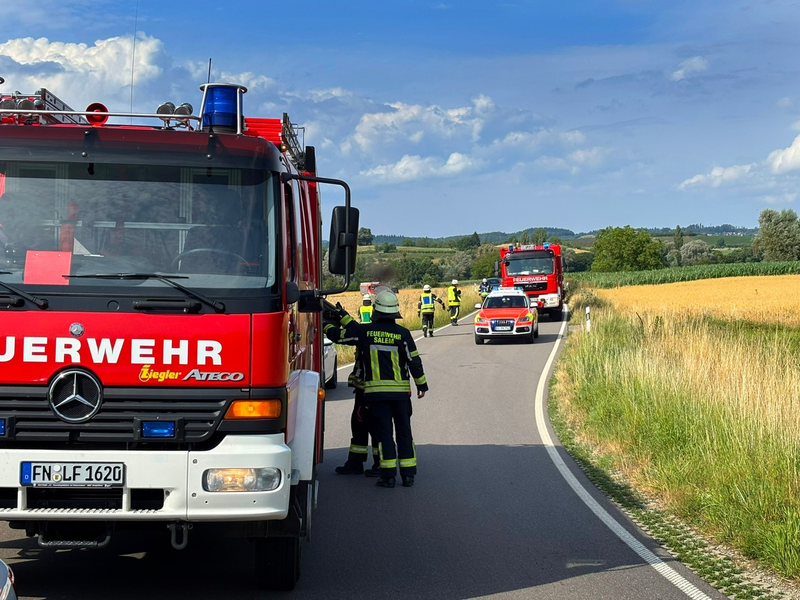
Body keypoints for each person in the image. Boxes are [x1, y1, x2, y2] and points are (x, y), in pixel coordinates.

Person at [324, 291, 428, 488]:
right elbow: (414, 361)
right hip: (401, 395)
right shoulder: (403, 334)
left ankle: (387, 477)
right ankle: (408, 476)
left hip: (376, 395)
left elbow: (338, 336)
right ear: (395, 312)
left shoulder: (366, 333)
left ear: (375, 311)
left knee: (384, 434)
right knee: (405, 433)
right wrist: (421, 385)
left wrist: (325, 324)